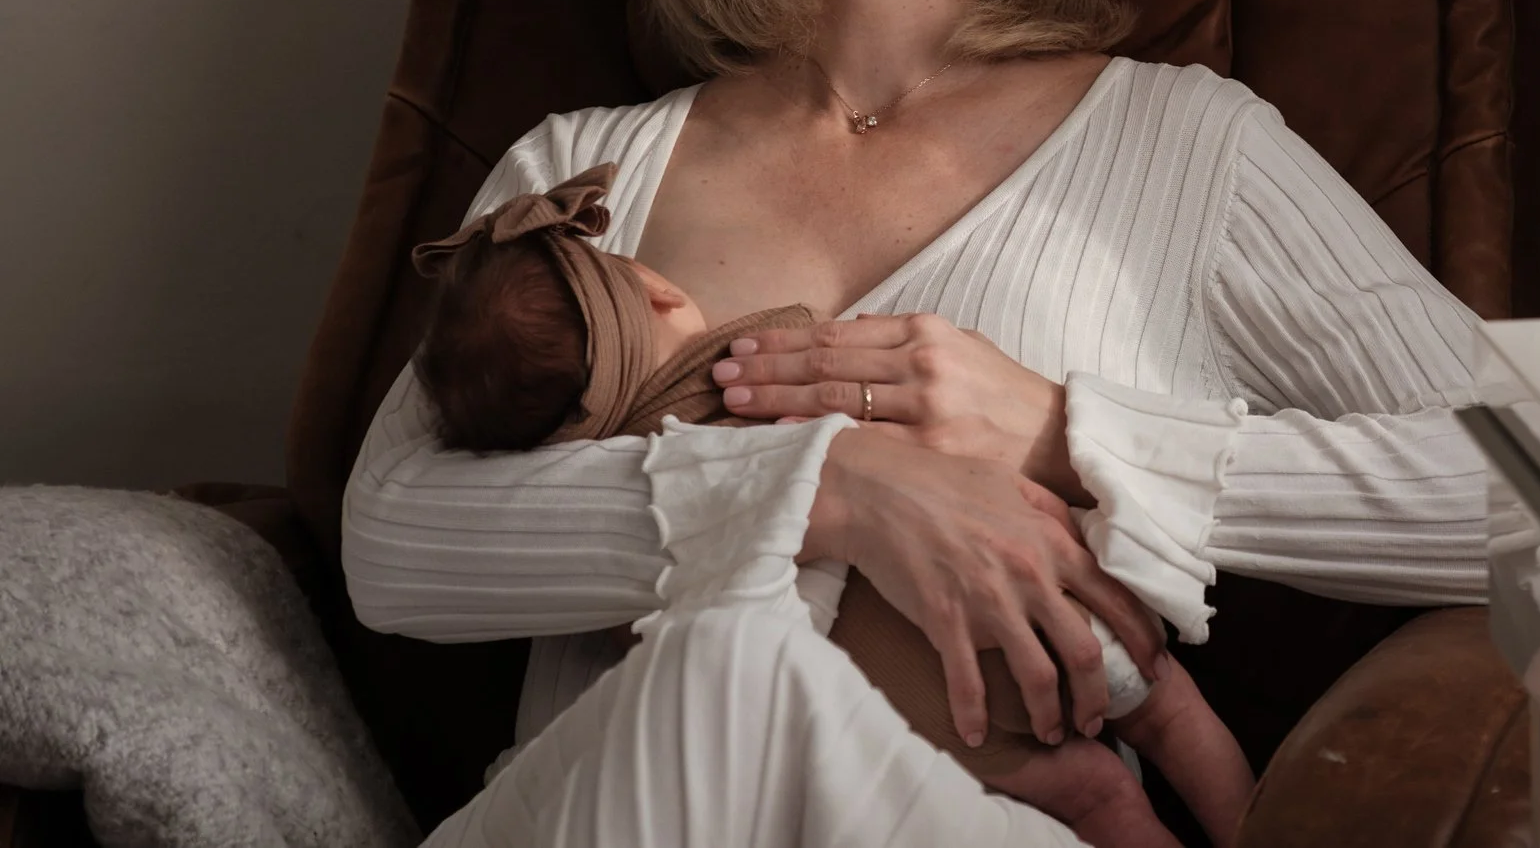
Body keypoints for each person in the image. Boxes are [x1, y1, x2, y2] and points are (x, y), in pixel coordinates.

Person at [343, 0, 1489, 844]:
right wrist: (832, 483)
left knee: (732, 669)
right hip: (619, 803)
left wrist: (1070, 434)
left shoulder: (1191, 145)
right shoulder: (579, 173)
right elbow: (393, 537)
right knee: (719, 671)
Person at [410, 161, 1251, 848]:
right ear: (660, 291)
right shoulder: (764, 358)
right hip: (1043, 603)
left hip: (929, 718)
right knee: (1169, 710)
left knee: (1099, 793)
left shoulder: (628, 499)